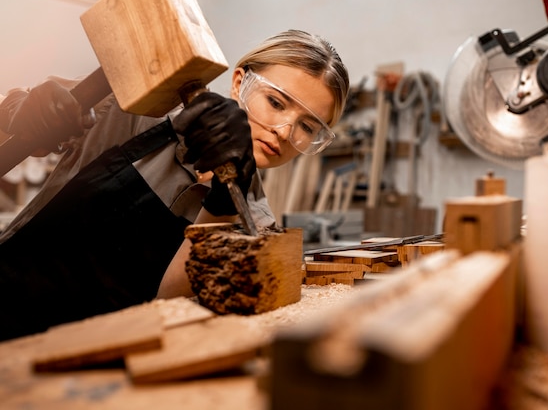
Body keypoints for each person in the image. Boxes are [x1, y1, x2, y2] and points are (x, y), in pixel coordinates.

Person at [0, 29, 350, 341]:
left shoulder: (256, 224)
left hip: (86, 367)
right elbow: (18, 118)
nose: (285, 132)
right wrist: (21, 112)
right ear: (240, 81)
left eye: (307, 127)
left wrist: (226, 202)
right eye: (276, 103)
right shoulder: (141, 108)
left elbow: (170, 306)